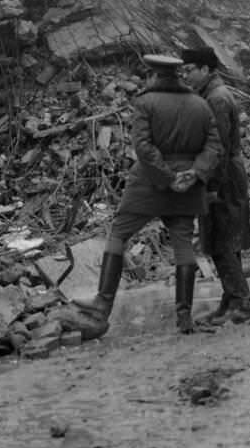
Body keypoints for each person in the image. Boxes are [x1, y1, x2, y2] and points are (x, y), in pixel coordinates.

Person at [74, 54, 221, 336]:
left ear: (154, 76)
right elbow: (215, 146)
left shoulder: (145, 102)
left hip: (149, 183)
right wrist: (194, 173)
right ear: (177, 76)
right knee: (182, 242)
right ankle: (184, 316)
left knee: (118, 234)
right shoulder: (201, 104)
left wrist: (166, 177)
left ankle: (102, 305)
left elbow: (143, 146)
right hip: (188, 186)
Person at [181, 46, 250, 324]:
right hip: (224, 172)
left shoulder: (217, 99)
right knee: (224, 237)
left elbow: (219, 148)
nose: (186, 76)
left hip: (223, 175)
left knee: (222, 238)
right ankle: (230, 297)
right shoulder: (211, 95)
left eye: (190, 70)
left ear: (206, 69)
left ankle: (241, 302)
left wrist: (212, 186)